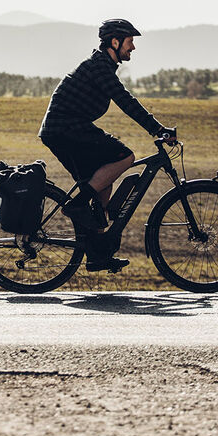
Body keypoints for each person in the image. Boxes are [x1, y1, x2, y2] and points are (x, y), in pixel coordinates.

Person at [39, 18, 174, 272]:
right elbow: (124, 100)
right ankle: (77, 204)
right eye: (130, 42)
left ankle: (97, 254)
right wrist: (156, 129)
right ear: (115, 42)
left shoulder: (103, 65)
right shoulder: (100, 66)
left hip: (67, 129)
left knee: (104, 181)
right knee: (125, 156)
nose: (132, 48)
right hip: (65, 130)